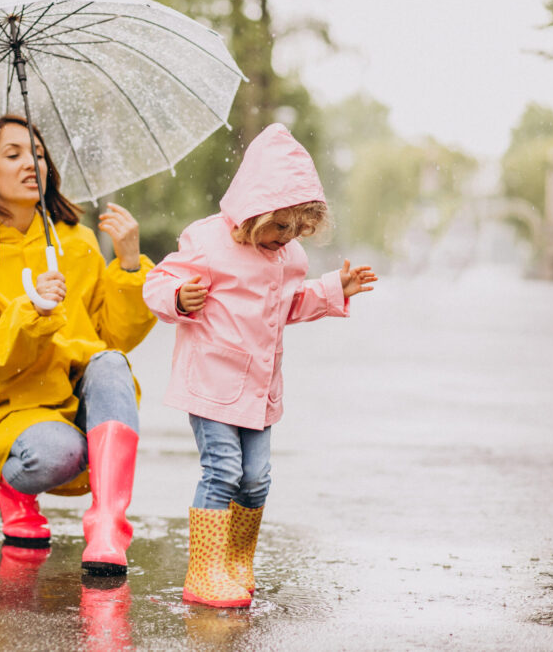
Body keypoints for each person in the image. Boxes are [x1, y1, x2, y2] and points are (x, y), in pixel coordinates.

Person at [142, 123, 377, 607]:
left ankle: (235, 560)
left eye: (296, 229)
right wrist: (178, 297)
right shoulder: (206, 241)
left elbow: (289, 305)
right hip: (211, 382)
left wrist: (335, 288)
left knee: (256, 478)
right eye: (278, 225)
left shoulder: (288, 257)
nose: (285, 237)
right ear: (254, 209)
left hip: (259, 388)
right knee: (222, 470)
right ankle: (203, 571)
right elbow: (157, 282)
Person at [0, 114, 157, 576]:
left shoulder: (76, 240)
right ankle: (14, 488)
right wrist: (31, 311)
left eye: (37, 153)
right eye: (13, 155)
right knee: (62, 454)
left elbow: (112, 337)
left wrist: (130, 266)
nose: (32, 163)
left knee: (111, 362)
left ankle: (109, 526)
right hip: (12, 408)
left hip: (76, 399)